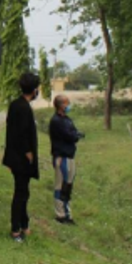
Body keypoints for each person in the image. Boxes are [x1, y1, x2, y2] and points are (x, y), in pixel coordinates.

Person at [2, 73, 41, 242]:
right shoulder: (24, 108)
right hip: (21, 159)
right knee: (21, 193)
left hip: (14, 156)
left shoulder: (16, 104)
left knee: (24, 191)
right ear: (34, 89)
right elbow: (21, 133)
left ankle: (25, 225)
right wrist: (28, 153)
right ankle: (15, 229)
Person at [48, 94, 83, 225]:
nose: (68, 105)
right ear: (60, 105)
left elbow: (74, 132)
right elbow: (71, 136)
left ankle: (67, 213)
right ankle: (60, 215)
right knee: (60, 186)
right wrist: (75, 135)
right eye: (66, 103)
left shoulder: (67, 119)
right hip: (61, 157)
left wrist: (75, 134)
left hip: (70, 156)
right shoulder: (56, 121)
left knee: (68, 185)